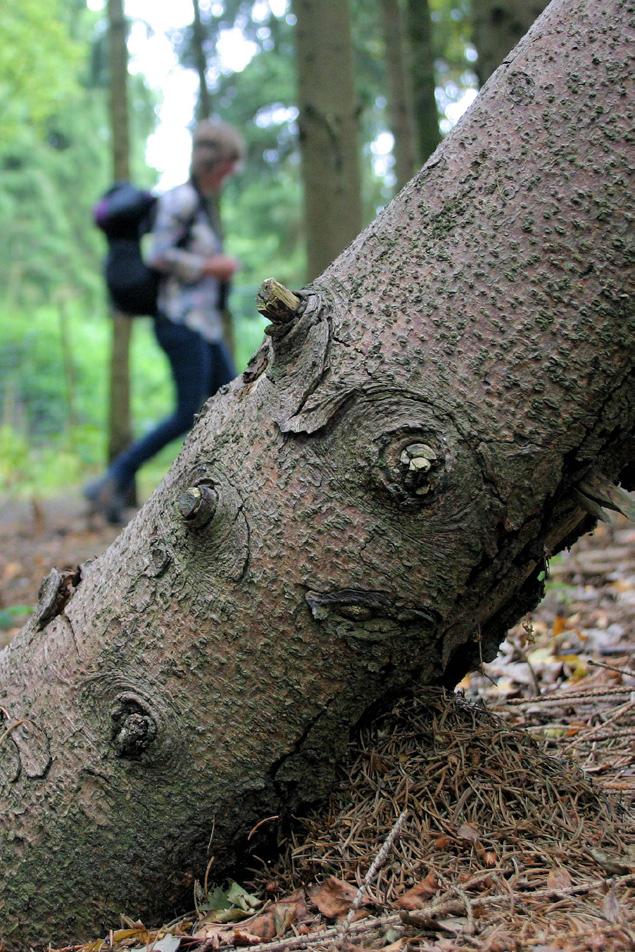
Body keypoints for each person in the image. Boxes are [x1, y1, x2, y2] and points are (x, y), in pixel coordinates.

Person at [85, 119, 244, 524]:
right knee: (189, 410)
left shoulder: (201, 205)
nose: (232, 172)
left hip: (202, 325)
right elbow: (158, 255)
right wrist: (212, 266)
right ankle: (116, 475)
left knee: (236, 402)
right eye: (230, 163)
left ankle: (229, 485)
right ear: (216, 162)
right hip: (180, 322)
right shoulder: (181, 201)